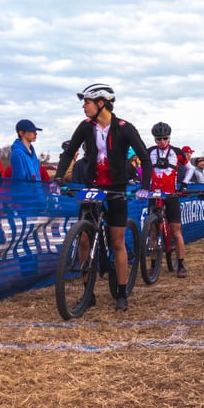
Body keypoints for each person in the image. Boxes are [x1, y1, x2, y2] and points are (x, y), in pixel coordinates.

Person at [54, 84, 152, 311]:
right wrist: (58, 177)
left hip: (116, 187)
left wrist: (144, 187)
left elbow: (145, 159)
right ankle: (88, 293)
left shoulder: (124, 127)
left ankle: (120, 291)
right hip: (93, 186)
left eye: (87, 102)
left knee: (117, 241)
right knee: (85, 239)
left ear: (101, 103)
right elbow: (69, 152)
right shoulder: (86, 126)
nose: (83, 106)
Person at [147, 121, 194, 278]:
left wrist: (184, 185)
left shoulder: (177, 152)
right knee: (153, 232)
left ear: (169, 138)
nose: (162, 142)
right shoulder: (150, 152)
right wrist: (143, 184)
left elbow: (190, 168)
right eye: (158, 139)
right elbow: (141, 168)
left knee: (176, 231)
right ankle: (153, 265)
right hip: (154, 195)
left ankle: (181, 265)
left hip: (171, 195)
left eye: (165, 138)